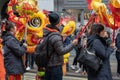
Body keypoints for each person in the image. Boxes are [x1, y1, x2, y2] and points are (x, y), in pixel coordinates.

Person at [43, 12, 78, 80]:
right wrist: (73, 44)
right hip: (55, 66)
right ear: (58, 23)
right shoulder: (55, 36)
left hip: (47, 64)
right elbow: (61, 51)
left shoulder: (46, 32)